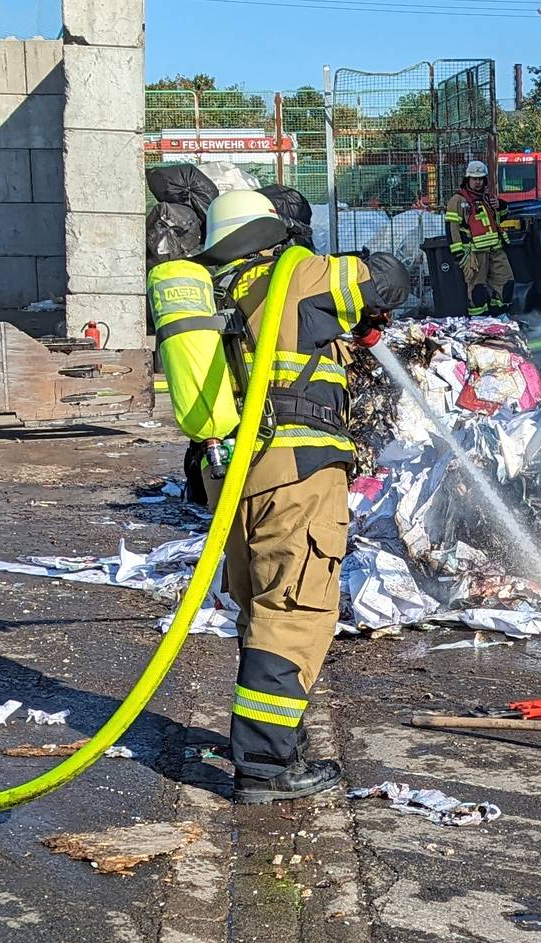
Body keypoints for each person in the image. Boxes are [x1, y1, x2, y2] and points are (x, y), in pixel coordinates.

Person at [150, 191, 408, 803]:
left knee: (261, 606)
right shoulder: (297, 276)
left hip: (233, 478)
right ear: (272, 233)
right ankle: (266, 767)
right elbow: (392, 275)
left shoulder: (215, 289)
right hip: (296, 472)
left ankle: (273, 742)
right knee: (293, 611)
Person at [445, 159, 512, 316]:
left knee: (507, 284)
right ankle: (479, 323)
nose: (477, 182)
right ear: (467, 179)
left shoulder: (488, 198)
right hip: (474, 254)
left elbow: (498, 219)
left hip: (496, 250)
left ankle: (499, 317)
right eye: (474, 179)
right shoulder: (458, 200)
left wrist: (501, 206)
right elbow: (451, 228)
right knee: (477, 292)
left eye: (480, 179)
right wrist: (458, 253)